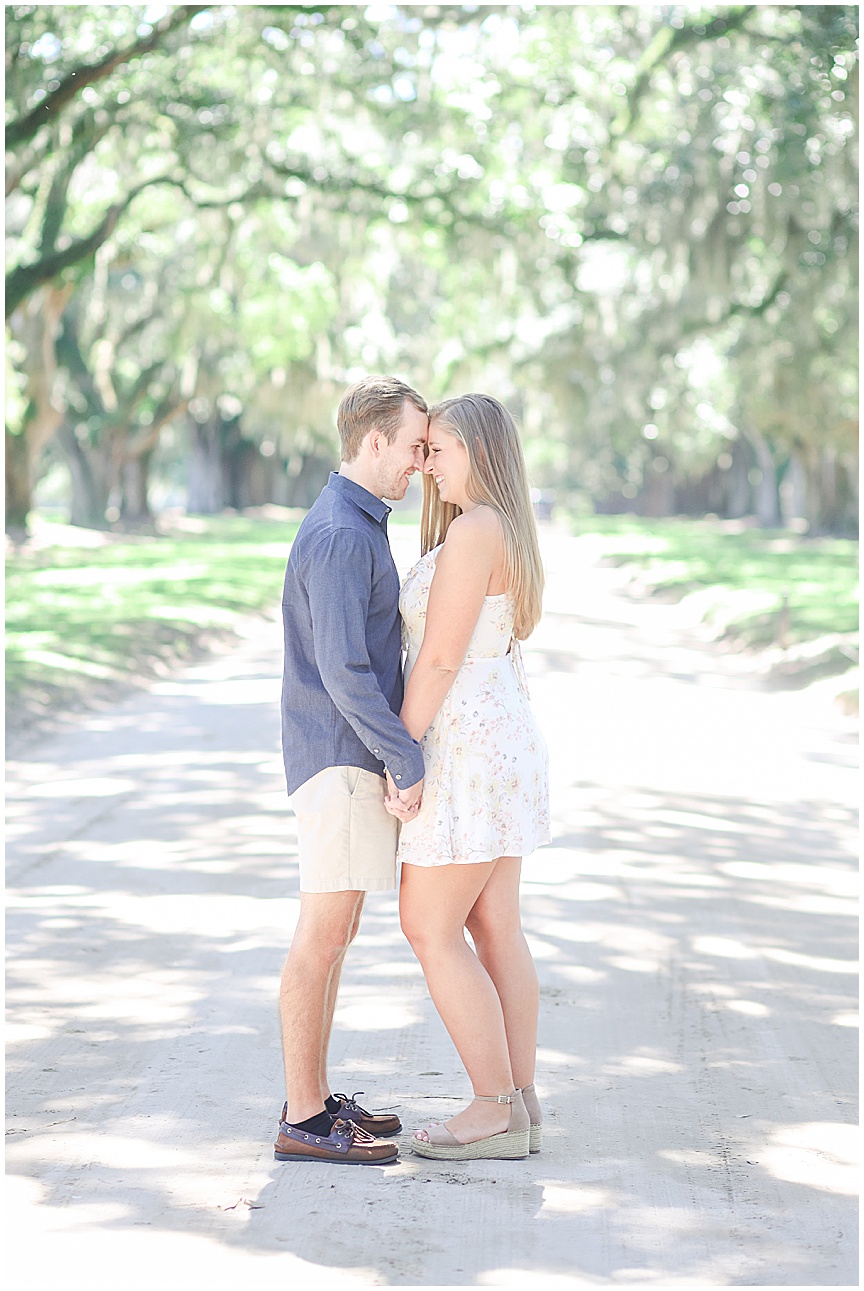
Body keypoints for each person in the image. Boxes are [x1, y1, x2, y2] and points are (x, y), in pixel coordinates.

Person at [390, 393, 551, 1162]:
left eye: (440, 448)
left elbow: (441, 658)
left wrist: (402, 750)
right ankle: (518, 1100)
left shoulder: (476, 529)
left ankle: (490, 1106)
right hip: (501, 739)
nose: (427, 462)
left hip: (468, 747)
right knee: (494, 926)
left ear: (478, 451)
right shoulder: (502, 528)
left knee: (428, 924)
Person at [273, 376, 428, 1166]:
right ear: (374, 441)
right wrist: (407, 757)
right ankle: (303, 1117)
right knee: (320, 936)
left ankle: (316, 1097)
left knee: (337, 934)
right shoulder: (340, 533)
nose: (419, 463)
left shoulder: (361, 523)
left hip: (348, 757)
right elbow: (343, 669)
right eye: (411, 446)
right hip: (338, 758)